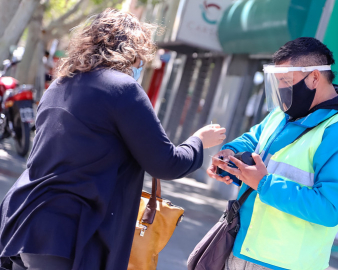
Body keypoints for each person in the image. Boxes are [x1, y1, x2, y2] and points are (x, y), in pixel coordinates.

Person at [0, 9, 226, 270]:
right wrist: (198, 141)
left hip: (23, 221)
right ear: (134, 49)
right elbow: (166, 163)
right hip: (69, 232)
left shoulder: (60, 84)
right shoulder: (123, 89)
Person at [207, 37, 338, 270]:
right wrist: (230, 155)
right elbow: (255, 139)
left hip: (283, 264)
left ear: (314, 77)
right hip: (241, 248)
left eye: (285, 80)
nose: (281, 89)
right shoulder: (282, 114)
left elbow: (330, 208)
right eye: (277, 81)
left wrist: (264, 183)